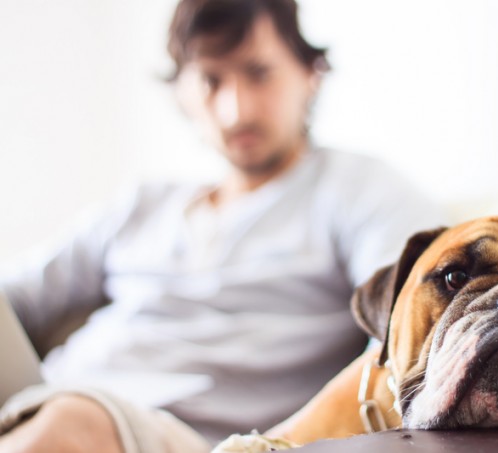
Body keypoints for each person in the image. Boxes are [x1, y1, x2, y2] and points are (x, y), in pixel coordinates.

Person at [0, 0, 447, 452]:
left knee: (74, 420)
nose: (237, 110)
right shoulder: (140, 205)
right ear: (182, 93)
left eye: (259, 73)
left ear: (310, 74)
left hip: (165, 434)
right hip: (37, 406)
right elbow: (15, 299)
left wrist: (283, 443)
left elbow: (418, 316)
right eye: (211, 81)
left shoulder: (356, 189)